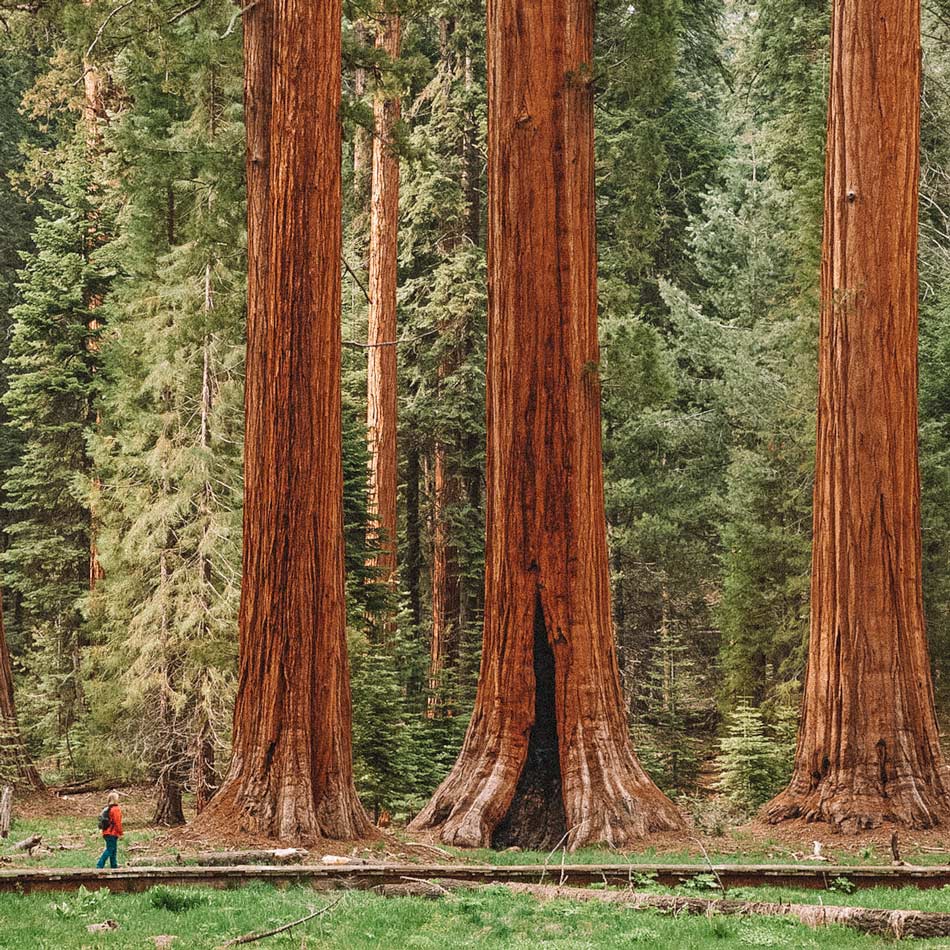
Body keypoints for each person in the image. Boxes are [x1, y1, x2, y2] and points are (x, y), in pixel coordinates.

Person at [96, 791, 123, 869]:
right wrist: (120, 833)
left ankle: (114, 865)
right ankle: (100, 864)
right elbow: (117, 822)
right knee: (110, 849)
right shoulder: (115, 809)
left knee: (113, 849)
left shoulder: (107, 808)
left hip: (106, 832)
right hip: (112, 832)